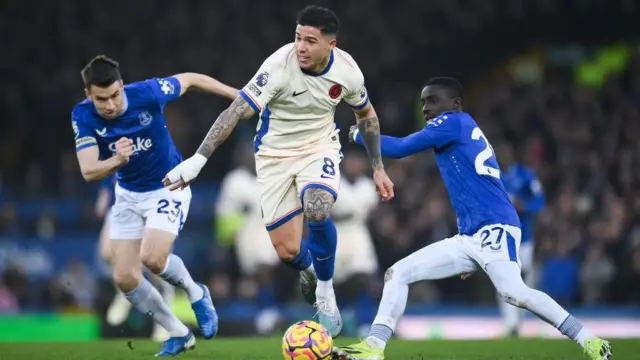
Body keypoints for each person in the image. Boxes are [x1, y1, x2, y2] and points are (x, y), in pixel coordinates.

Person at [333, 77, 611, 360]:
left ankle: (588, 339)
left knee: (514, 293)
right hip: (471, 235)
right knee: (398, 273)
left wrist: (358, 135)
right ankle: (374, 348)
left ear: (455, 104)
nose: (427, 108)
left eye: (432, 101)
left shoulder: (453, 122)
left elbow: (402, 147)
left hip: (495, 226)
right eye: (423, 103)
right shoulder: (459, 128)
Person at [163, 5, 394, 337]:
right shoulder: (277, 66)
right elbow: (236, 111)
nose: (300, 46)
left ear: (331, 44)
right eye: (298, 37)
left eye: (310, 40)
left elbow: (367, 116)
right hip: (273, 157)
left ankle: (325, 292)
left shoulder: (348, 72)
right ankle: (309, 270)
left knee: (317, 206)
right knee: (287, 250)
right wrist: (198, 160)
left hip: (319, 148)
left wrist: (378, 167)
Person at [71, 54, 237, 356]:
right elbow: (88, 170)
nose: (109, 104)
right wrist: (116, 160)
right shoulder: (82, 115)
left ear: (122, 86)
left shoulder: (146, 93)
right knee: (124, 277)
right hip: (127, 195)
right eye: (101, 99)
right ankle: (177, 332)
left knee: (153, 259)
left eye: (114, 95)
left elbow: (190, 79)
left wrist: (236, 97)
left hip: (167, 186)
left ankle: (196, 293)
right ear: (88, 95)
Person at [97, 175, 175, 342]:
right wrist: (103, 198)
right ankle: (125, 291)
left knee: (158, 271)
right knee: (106, 252)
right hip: (120, 209)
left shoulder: (157, 158)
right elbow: (108, 185)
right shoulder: (117, 160)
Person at [497, 143, 546, 337]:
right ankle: (511, 324)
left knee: (524, 280)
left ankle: (521, 321)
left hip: (524, 238)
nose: (503, 155)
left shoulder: (526, 176)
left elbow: (540, 201)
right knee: (503, 279)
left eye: (506, 151)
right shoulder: (494, 177)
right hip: (501, 240)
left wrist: (524, 207)